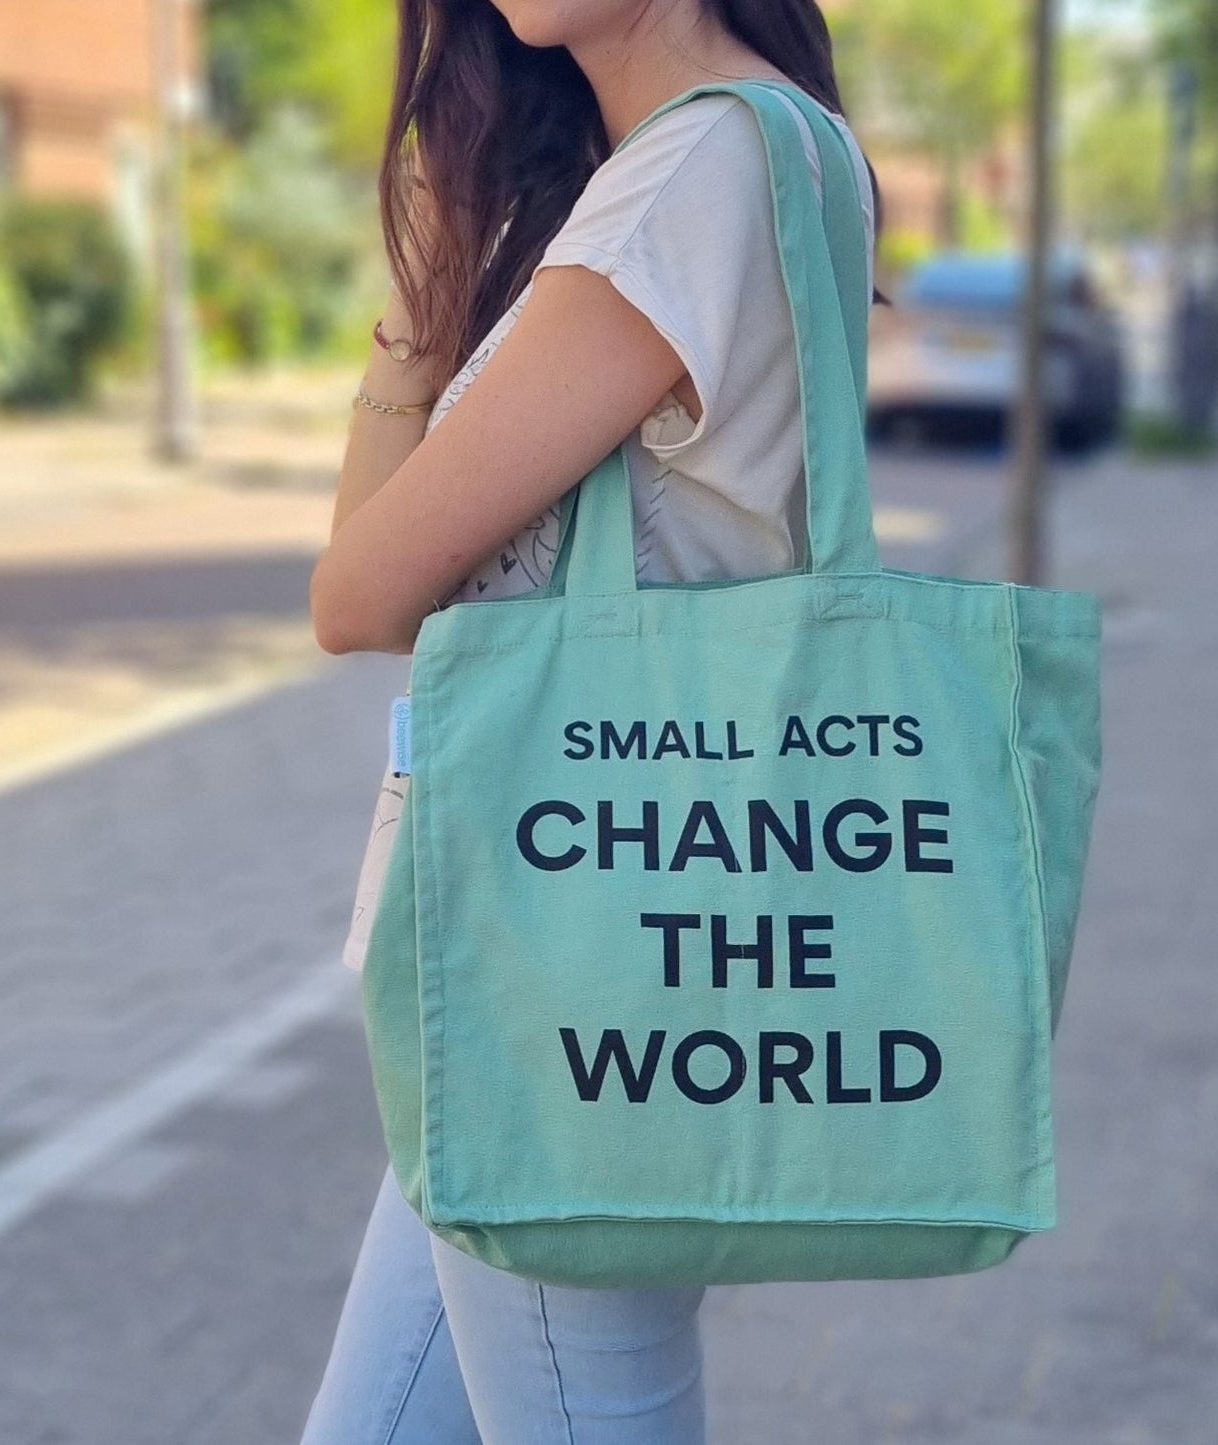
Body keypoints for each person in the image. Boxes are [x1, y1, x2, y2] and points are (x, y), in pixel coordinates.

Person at [303, 1, 879, 1440]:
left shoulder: (696, 175)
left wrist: (431, 272)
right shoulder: (757, 152)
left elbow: (358, 590)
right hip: (562, 962)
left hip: (571, 966)